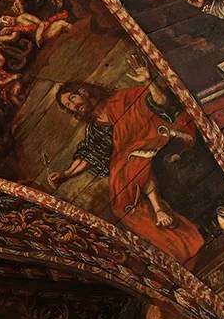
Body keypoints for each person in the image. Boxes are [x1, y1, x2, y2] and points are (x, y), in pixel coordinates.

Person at [55, 68, 204, 266]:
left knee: (133, 158)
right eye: (69, 105)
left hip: (152, 139)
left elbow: (159, 102)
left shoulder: (121, 100)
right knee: (121, 203)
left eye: (72, 98)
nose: (74, 106)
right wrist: (66, 174)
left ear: (84, 92)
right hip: (131, 159)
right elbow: (88, 154)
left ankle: (160, 210)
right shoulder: (95, 129)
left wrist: (149, 81)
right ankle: (174, 244)